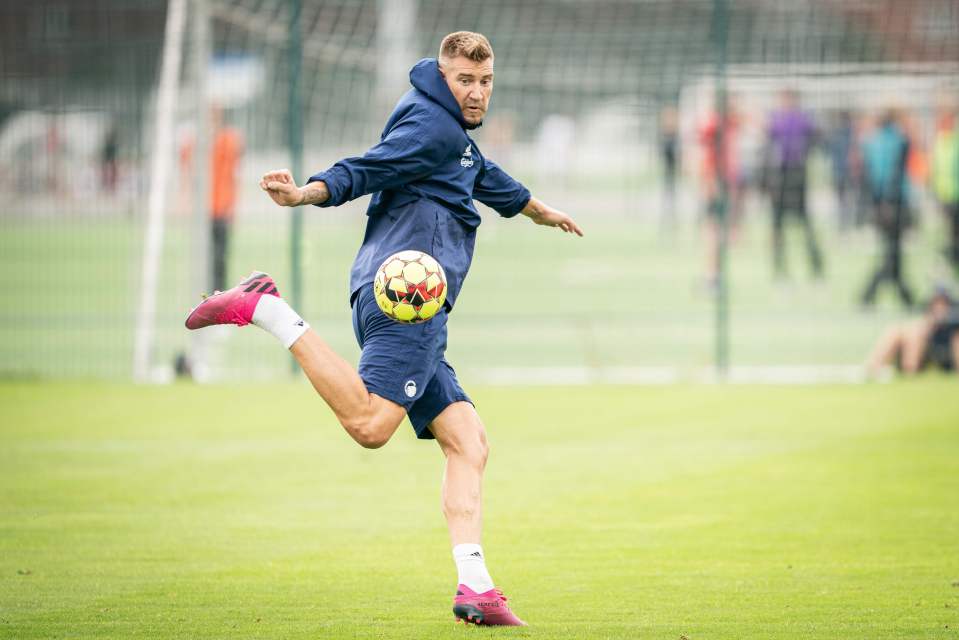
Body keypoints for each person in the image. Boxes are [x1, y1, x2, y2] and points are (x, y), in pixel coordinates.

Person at [185, 32, 583, 626]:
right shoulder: (433, 128)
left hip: (412, 300)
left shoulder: (449, 134)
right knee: (372, 424)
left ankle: (475, 586)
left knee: (468, 441)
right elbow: (369, 168)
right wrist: (306, 194)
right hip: (409, 297)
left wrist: (536, 208)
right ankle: (266, 307)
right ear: (444, 78)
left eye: (486, 81)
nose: (477, 92)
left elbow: (481, 172)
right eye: (466, 81)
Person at [764, 89, 823, 280]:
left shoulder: (802, 120)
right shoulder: (775, 120)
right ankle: (780, 269)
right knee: (777, 225)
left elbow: (814, 140)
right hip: (779, 177)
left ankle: (815, 266)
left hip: (796, 176)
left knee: (805, 225)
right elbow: (768, 146)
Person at [861, 109, 914, 308]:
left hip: (882, 205)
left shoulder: (873, 142)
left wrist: (877, 205)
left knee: (893, 252)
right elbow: (893, 175)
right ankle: (869, 294)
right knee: (892, 253)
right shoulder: (897, 142)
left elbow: (871, 178)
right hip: (896, 204)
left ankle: (903, 296)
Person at [866, 288, 959, 377]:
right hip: (925, 352)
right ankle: (872, 368)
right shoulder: (927, 323)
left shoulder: (953, 325)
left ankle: (908, 372)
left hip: (946, 356)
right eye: (936, 304)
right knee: (897, 331)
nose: (939, 308)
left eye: (943, 304)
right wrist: (930, 325)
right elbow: (918, 328)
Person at [931, 104, 959, 274]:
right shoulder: (942, 142)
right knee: (951, 233)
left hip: (952, 195)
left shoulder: (950, 141)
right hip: (947, 195)